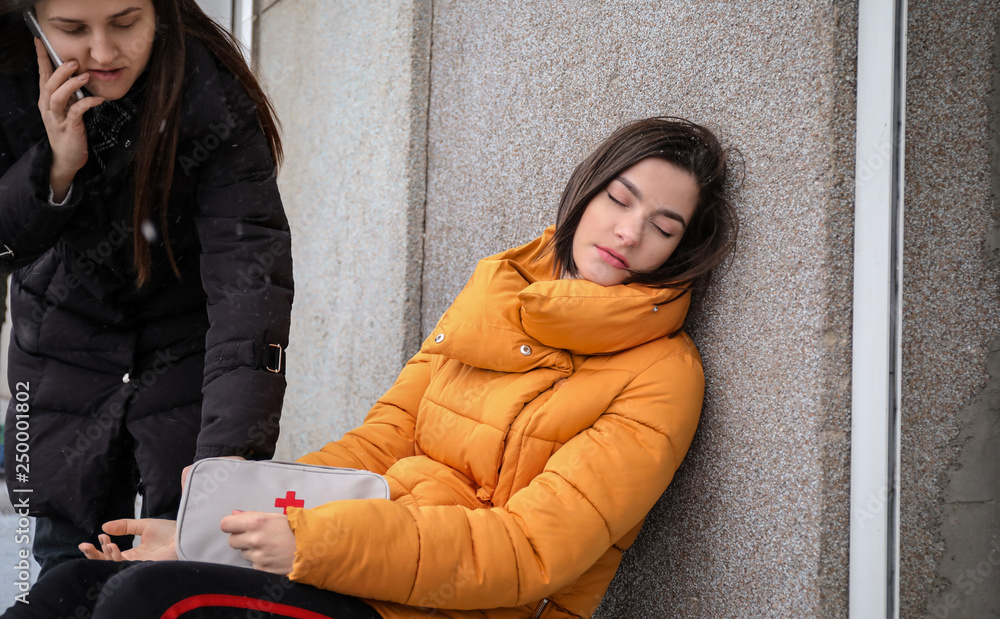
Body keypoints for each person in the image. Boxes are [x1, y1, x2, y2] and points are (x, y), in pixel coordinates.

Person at [2, 116, 738, 618]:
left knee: (150, 606)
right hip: (362, 569)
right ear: (589, 188)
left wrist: (313, 544)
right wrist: (210, 532)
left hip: (450, 605)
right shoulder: (500, 294)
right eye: (620, 198)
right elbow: (379, 443)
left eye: (663, 226)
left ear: (682, 250)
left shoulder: (662, 375)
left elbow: (531, 550)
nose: (629, 230)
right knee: (73, 584)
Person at [0, 0, 294, 576]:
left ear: (158, 4)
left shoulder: (208, 89)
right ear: (31, 16)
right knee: (60, 567)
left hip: (187, 360)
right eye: (72, 29)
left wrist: (226, 462)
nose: (103, 52)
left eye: (126, 21)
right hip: (58, 365)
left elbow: (250, 280)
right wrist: (55, 169)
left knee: (177, 571)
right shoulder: (8, 78)